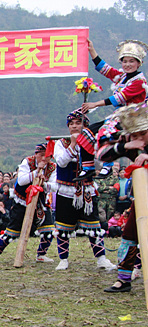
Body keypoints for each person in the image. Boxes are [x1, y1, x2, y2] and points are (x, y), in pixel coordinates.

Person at [52, 108, 116, 271]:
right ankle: (63, 259)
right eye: (71, 124)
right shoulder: (60, 143)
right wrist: (73, 144)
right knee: (63, 227)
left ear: (85, 125)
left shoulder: (92, 141)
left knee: (93, 226)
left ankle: (101, 258)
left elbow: (100, 158)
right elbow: (61, 162)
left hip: (87, 190)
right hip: (66, 191)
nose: (74, 126)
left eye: (78, 123)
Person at [77, 39, 147, 180]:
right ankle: (88, 167)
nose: (127, 65)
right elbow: (106, 69)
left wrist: (95, 104)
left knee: (105, 133)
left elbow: (120, 98)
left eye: (131, 61)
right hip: (120, 116)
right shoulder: (122, 77)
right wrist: (92, 51)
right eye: (124, 61)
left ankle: (108, 166)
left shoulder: (139, 82)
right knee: (87, 133)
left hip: (134, 118)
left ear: (139, 63)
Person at [99, 103, 148, 292]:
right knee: (129, 235)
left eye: (142, 134)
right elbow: (102, 154)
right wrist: (125, 145)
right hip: (142, 198)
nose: (138, 138)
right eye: (134, 135)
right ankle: (124, 279)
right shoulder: (131, 144)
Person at [0, 143, 57, 263]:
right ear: (36, 154)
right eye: (41, 155)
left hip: (40, 202)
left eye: (46, 156)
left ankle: (41, 255)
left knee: (48, 229)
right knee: (12, 231)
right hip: (22, 200)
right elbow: (21, 181)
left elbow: (54, 186)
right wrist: (36, 172)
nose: (43, 159)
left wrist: (43, 184)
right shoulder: (27, 162)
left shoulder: (53, 167)